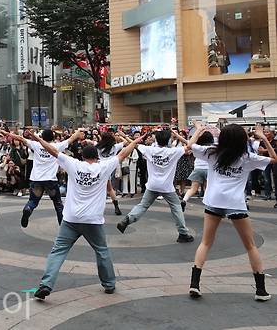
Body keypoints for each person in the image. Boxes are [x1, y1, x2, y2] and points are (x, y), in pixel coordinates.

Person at [30, 131, 145, 300]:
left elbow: (53, 151)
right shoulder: (103, 167)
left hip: (70, 218)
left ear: (83, 157)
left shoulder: (73, 164)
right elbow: (122, 154)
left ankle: (45, 285)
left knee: (58, 251)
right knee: (102, 251)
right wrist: (135, 141)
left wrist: (39, 139)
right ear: (96, 157)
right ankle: (109, 284)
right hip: (93, 220)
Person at [187, 123, 275, 301]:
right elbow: (274, 159)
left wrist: (198, 130)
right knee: (250, 245)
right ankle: (261, 290)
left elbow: (189, 147)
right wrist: (263, 137)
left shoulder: (211, 152)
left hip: (213, 201)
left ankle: (194, 284)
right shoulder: (247, 157)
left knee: (205, 242)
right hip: (235, 204)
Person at [117, 129, 194, 243]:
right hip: (167, 186)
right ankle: (183, 233)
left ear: (156, 140)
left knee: (143, 205)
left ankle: (128, 219)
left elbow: (134, 144)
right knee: (176, 207)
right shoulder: (173, 151)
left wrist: (125, 136)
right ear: (168, 140)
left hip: (152, 185)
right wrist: (178, 135)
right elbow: (190, 145)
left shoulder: (149, 149)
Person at [0, 128, 81, 228]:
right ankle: (63, 227)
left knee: (33, 201)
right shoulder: (57, 146)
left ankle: (28, 209)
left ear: (42, 137)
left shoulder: (36, 145)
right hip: (50, 180)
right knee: (58, 204)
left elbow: (20, 138)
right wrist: (79, 131)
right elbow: (71, 139)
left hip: (36, 179)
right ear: (53, 137)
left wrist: (6, 133)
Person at [181, 130, 214, 212]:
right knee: (208, 189)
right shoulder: (213, 148)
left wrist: (176, 134)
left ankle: (184, 200)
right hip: (208, 169)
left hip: (198, 168)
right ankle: (208, 207)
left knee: (193, 189)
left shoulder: (196, 147)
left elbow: (186, 142)